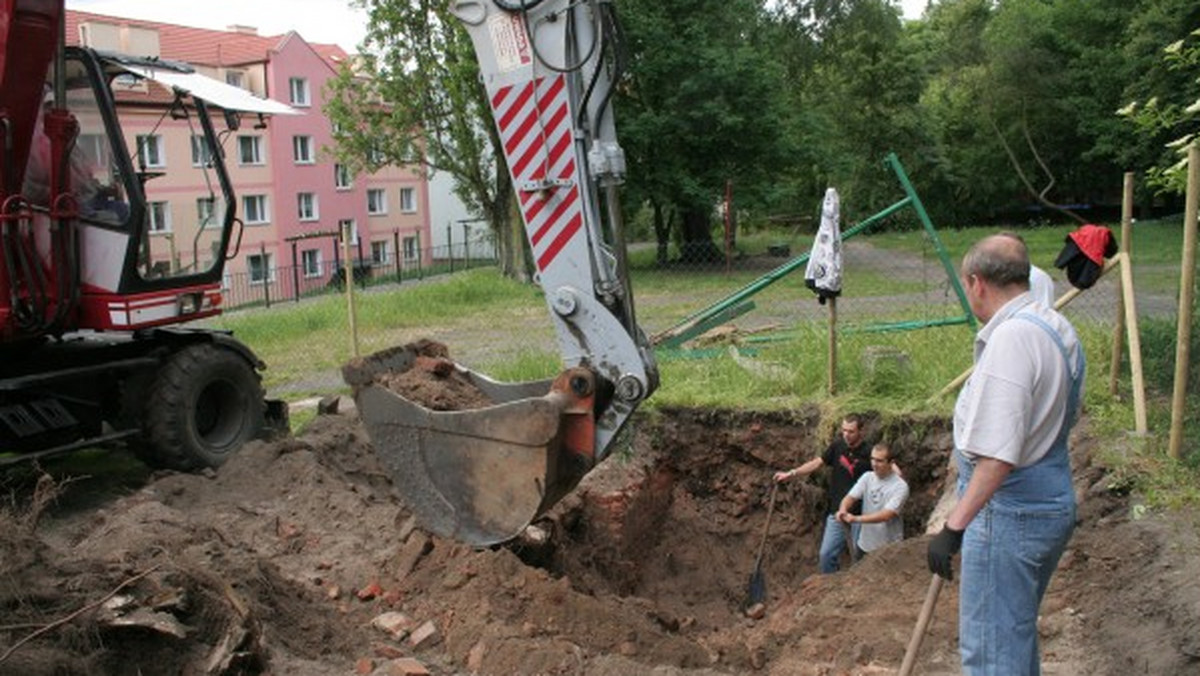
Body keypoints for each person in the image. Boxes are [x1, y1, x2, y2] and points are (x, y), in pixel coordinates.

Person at [927, 234, 1085, 676]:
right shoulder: (1053, 325)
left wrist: (954, 527)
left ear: (977, 283)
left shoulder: (1011, 341)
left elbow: (997, 457)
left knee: (992, 653)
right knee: (1012, 636)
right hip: (1048, 496)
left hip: (1008, 513)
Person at [774, 413, 871, 573]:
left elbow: (886, 469)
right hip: (836, 512)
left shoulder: (869, 452)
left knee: (859, 560)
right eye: (844, 430)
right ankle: (830, 590)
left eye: (851, 431)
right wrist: (791, 473)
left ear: (861, 431)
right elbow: (817, 463)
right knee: (825, 555)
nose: (846, 434)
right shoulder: (837, 446)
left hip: (860, 515)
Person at [836, 443, 908, 557]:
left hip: (888, 550)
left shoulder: (900, 486)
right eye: (872, 459)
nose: (874, 464)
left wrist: (856, 519)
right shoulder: (867, 477)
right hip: (864, 545)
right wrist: (843, 509)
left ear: (891, 463)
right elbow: (850, 497)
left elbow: (886, 515)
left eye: (879, 461)